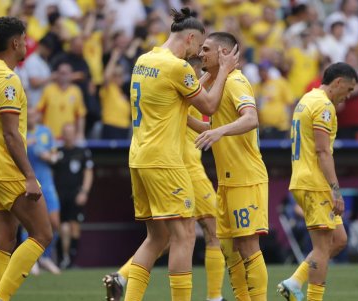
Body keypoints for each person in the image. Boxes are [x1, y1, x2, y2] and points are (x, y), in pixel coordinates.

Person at [125, 7, 238, 301]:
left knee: (156, 237)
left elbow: (173, 108)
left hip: (139, 156)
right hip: (165, 161)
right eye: (198, 47)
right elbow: (209, 105)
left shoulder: (143, 61)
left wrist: (209, 128)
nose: (198, 54)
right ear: (189, 38)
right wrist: (224, 69)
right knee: (185, 236)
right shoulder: (178, 67)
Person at [103, 57, 226, 301]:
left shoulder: (162, 81)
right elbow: (207, 115)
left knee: (163, 237)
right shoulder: (185, 85)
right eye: (197, 67)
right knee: (211, 232)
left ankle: (122, 276)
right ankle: (215, 297)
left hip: (151, 162)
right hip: (184, 167)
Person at [0, 16, 52, 301]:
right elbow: (11, 134)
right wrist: (30, 176)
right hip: (8, 170)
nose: (27, 44)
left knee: (3, 241)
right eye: (25, 39)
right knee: (42, 234)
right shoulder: (7, 79)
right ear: (16, 42)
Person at [190, 32, 269, 301]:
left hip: (246, 178)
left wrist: (218, 132)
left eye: (207, 49)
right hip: (227, 180)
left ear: (224, 53)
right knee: (228, 247)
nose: (201, 54)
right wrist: (185, 120)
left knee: (247, 245)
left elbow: (251, 119)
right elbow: (209, 127)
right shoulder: (217, 84)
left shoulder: (235, 82)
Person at [277, 62, 358, 301]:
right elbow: (323, 151)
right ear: (338, 83)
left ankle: (294, 282)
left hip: (305, 179)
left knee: (339, 239)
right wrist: (336, 191)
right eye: (349, 89)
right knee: (322, 248)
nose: (349, 95)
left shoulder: (307, 99)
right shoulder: (324, 106)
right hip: (314, 182)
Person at [53, 123, 94, 269]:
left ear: (75, 134)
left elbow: (88, 173)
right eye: (66, 133)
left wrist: (84, 192)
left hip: (76, 194)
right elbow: (51, 173)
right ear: (62, 135)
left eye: (71, 133)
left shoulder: (82, 152)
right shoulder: (57, 152)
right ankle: (61, 259)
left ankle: (71, 260)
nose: (68, 136)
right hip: (59, 194)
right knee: (59, 227)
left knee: (74, 226)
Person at [25, 107, 61, 275]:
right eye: (28, 115)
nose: (31, 117)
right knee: (28, 223)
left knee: (54, 222)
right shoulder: (20, 133)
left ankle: (45, 257)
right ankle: (31, 260)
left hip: (47, 183)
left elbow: (55, 155)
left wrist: (49, 156)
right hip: (29, 183)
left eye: (33, 114)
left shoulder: (45, 132)